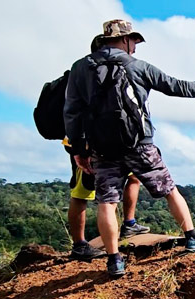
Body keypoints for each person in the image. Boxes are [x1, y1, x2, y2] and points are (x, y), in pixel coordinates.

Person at [64, 19, 195, 277]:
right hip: (139, 145)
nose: (135, 46)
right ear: (124, 39)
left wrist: (78, 149)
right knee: (169, 189)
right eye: (133, 40)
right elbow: (176, 87)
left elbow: (72, 112)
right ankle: (191, 237)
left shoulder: (81, 68)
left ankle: (114, 261)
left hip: (101, 149)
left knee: (107, 202)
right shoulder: (138, 67)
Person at [66, 34, 149, 260]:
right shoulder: (83, 74)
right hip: (86, 144)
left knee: (133, 178)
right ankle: (80, 244)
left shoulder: (108, 73)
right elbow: (72, 113)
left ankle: (129, 223)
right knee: (84, 192)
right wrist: (78, 149)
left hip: (113, 143)